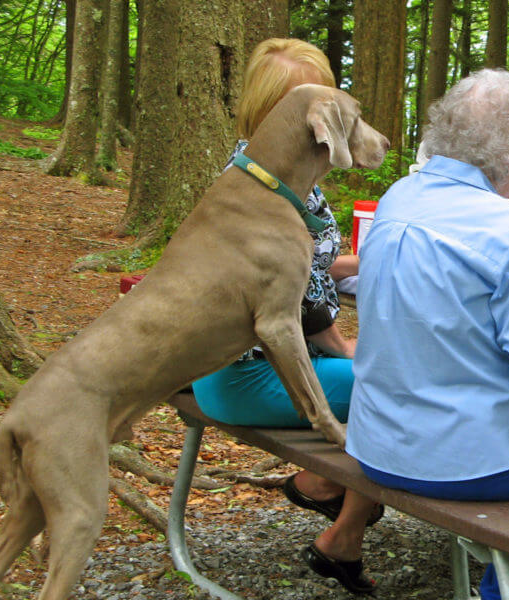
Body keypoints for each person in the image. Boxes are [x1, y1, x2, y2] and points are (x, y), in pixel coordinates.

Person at [345, 69, 509, 600]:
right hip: (461, 459)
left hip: (376, 445)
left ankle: (504, 587)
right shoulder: (508, 225)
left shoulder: (400, 196)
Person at [190, 38, 379, 593]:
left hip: (223, 370)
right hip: (246, 377)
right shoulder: (277, 189)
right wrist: (347, 350)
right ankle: (335, 519)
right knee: (399, 387)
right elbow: (298, 304)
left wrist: (358, 261)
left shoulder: (255, 170)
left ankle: (326, 493)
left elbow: (306, 266)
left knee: (387, 377)